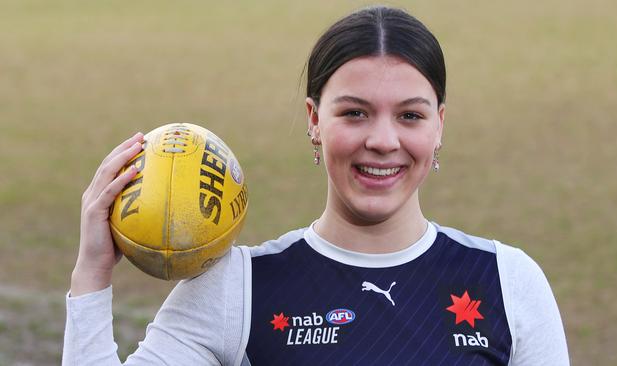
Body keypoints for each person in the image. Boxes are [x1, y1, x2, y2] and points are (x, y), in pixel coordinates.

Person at [63, 6, 570, 366]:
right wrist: (92, 272)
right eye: (355, 112)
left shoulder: (508, 283)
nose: (382, 140)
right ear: (314, 120)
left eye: (410, 116)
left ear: (439, 125)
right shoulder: (237, 290)